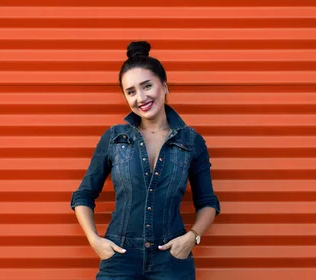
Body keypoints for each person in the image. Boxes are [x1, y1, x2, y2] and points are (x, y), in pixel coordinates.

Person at [70, 40, 220, 280]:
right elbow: (83, 195)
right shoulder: (113, 138)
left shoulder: (192, 141)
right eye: (131, 91)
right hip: (119, 257)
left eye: (147, 85)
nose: (140, 97)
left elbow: (208, 202)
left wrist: (191, 238)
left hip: (171, 259)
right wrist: (94, 240)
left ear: (165, 86)